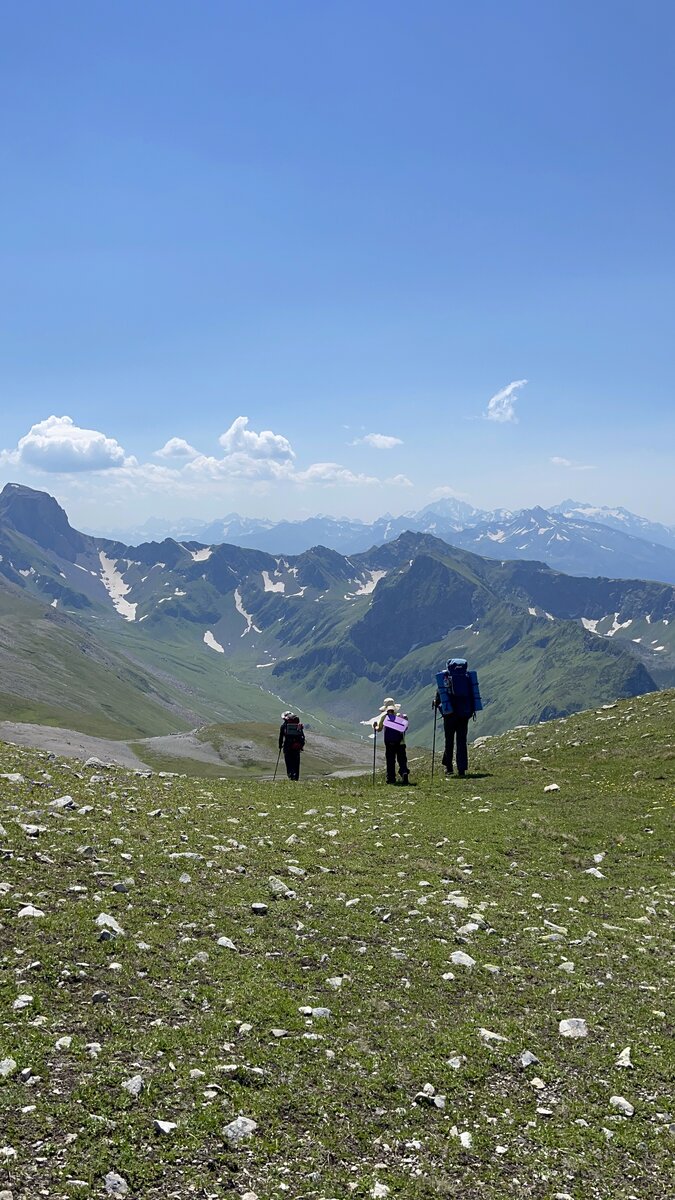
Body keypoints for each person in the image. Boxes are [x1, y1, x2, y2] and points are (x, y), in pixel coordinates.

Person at [434, 662, 476, 778]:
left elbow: (440, 697)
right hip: (464, 713)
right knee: (461, 741)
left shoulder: (445, 679)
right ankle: (462, 769)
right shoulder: (467, 678)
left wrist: (436, 703)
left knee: (449, 740)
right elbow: (472, 694)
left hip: (450, 714)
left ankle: (449, 768)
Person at [373, 697, 410, 785]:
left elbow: (379, 729)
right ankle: (404, 772)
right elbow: (405, 728)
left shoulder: (384, 717)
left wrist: (375, 726)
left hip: (389, 743)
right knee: (402, 759)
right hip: (401, 742)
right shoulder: (400, 716)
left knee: (390, 760)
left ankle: (391, 778)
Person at [279, 711, 305, 780]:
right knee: (296, 763)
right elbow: (302, 736)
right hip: (296, 748)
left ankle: (291, 774)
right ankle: (296, 777)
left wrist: (280, 745)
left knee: (289, 762)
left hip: (287, 747)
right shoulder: (298, 725)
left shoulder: (283, 726)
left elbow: (281, 737)